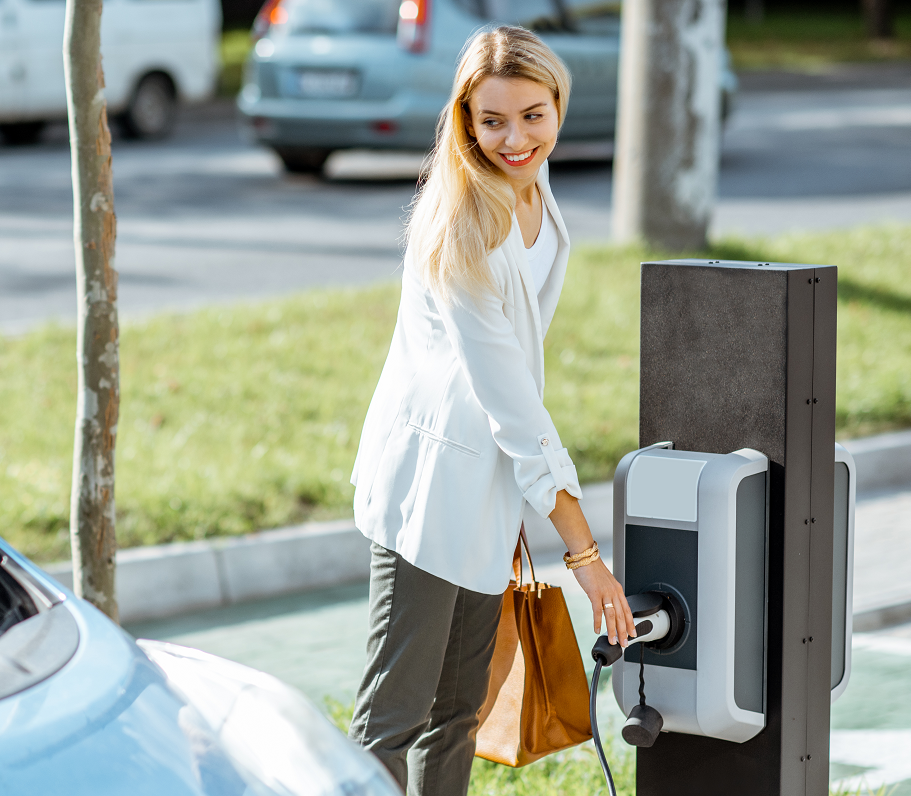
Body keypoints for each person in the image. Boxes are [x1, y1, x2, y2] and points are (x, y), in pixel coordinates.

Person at [346, 25, 637, 796]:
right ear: (465, 119)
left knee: (459, 711)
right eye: (493, 120)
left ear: (558, 106)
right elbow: (509, 398)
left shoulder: (533, 190)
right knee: (392, 717)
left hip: (489, 484)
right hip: (431, 486)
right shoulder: (462, 227)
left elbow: (516, 394)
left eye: (533, 116)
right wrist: (585, 557)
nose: (514, 139)